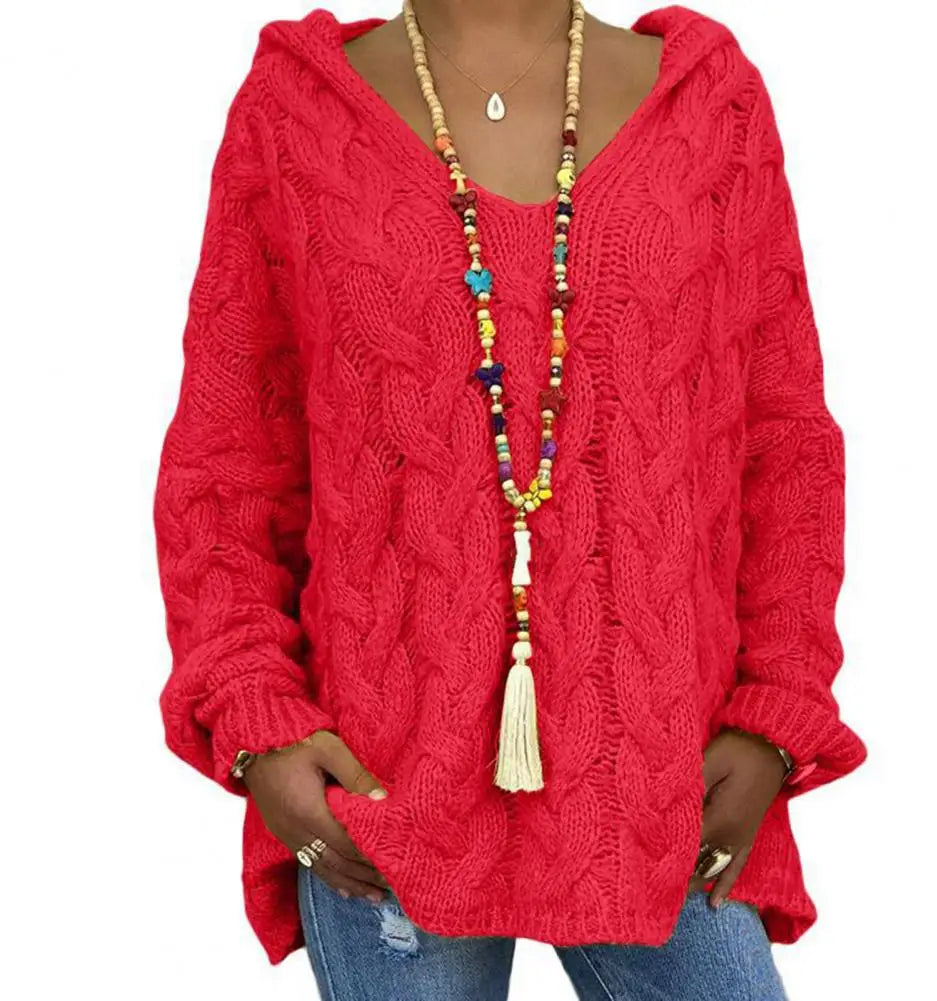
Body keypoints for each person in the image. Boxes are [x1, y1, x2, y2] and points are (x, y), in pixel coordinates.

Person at [152, 2, 865, 998]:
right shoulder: (295, 112)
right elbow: (228, 459)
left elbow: (782, 442)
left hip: (666, 780)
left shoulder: (709, 106)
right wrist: (254, 716)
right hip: (381, 790)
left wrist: (775, 712)